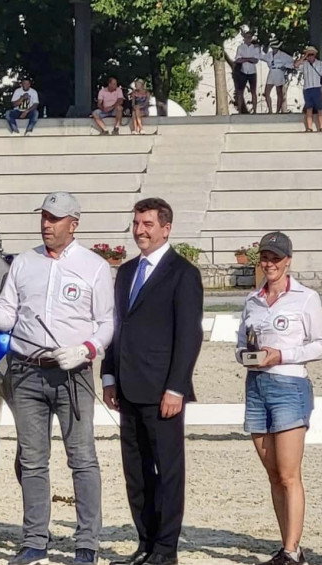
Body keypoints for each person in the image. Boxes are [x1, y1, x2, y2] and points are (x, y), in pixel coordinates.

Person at [0, 192, 114, 565]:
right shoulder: (23, 263)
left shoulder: (95, 267)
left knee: (82, 459)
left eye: (55, 218)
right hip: (27, 371)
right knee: (32, 460)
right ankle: (34, 540)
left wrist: (87, 349)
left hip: (72, 373)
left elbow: (107, 322)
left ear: (73, 224)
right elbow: (6, 316)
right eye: (44, 217)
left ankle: (87, 543)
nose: (46, 224)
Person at [103, 198, 204, 565]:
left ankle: (165, 549)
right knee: (137, 471)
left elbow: (189, 336)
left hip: (163, 391)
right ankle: (145, 543)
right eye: (136, 223)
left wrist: (176, 387)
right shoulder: (127, 271)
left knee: (167, 471)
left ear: (166, 228)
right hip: (127, 387)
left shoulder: (183, 273)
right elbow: (117, 326)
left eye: (147, 224)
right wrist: (109, 374)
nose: (140, 230)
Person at [236, 232, 322, 565]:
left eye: (276, 258)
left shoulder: (306, 298)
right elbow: (241, 343)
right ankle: (287, 545)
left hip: (289, 385)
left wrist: (282, 355)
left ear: (288, 260)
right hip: (256, 385)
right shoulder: (252, 300)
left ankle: (292, 549)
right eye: (265, 257)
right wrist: (247, 355)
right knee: (274, 473)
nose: (270, 264)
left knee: (289, 474)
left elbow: (321, 345)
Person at [294, 46, 322, 132]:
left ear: (315, 55)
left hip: (316, 87)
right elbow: (296, 65)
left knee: (320, 108)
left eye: (311, 54)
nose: (310, 56)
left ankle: (321, 127)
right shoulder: (304, 64)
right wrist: (304, 57)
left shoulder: (320, 63)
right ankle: (309, 127)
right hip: (307, 88)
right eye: (309, 54)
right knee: (309, 108)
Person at [231, 31, 261, 114]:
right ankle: (240, 111)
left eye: (249, 37)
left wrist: (244, 59)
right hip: (243, 71)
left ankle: (255, 110)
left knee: (253, 91)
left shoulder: (255, 48)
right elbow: (237, 60)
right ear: (244, 38)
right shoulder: (240, 48)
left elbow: (256, 60)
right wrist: (249, 59)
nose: (248, 39)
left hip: (252, 72)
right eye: (246, 37)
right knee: (240, 91)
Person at [262, 40, 294, 114]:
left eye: (275, 47)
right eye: (273, 47)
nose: (274, 49)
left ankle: (277, 111)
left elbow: (291, 61)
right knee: (267, 92)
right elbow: (262, 57)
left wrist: (285, 67)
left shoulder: (283, 55)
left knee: (279, 93)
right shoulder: (269, 54)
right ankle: (270, 110)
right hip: (271, 72)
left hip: (279, 72)